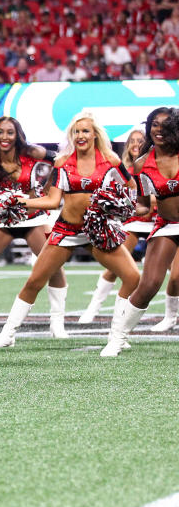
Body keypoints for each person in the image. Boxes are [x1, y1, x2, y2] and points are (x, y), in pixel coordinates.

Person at [0, 112, 140, 349]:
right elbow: (52, 201)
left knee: (133, 277)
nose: (81, 135)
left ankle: (118, 336)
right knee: (34, 281)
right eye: (77, 131)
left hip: (97, 230)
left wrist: (119, 208)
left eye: (85, 131)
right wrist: (19, 202)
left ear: (94, 135)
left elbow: (131, 189)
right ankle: (7, 334)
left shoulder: (110, 160)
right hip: (67, 229)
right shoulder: (62, 162)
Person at [0, 117, 67, 337]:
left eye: (10, 133)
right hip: (4, 220)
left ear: (17, 135)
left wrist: (49, 185)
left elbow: (62, 161)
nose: (4, 137)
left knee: (54, 267)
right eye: (0, 132)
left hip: (33, 219)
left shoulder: (31, 153)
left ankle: (57, 323)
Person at [100, 108, 179, 356]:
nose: (158, 130)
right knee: (150, 283)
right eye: (154, 125)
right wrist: (120, 204)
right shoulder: (142, 163)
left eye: (165, 126)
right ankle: (118, 338)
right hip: (167, 224)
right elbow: (144, 204)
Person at [79, 123, 160, 322]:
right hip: (133, 221)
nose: (135, 144)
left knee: (164, 271)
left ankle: (169, 315)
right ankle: (93, 308)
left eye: (139, 141)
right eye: (131, 141)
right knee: (115, 267)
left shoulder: (159, 165)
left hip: (159, 221)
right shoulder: (125, 169)